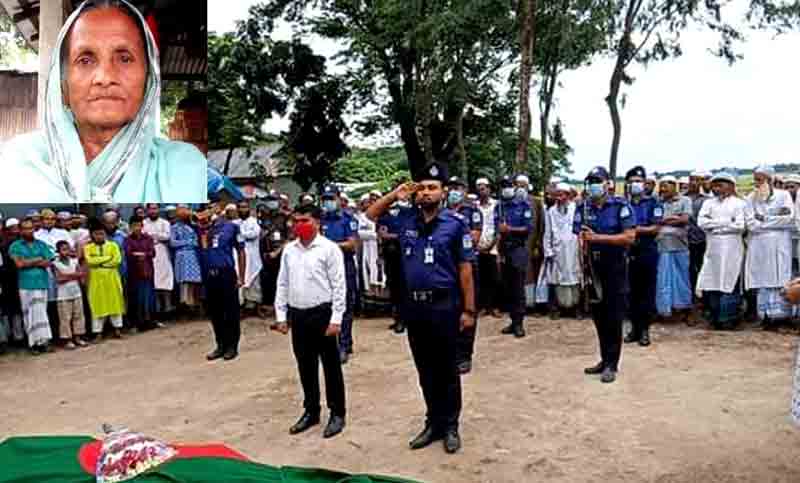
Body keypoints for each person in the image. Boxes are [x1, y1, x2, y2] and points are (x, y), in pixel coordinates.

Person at [0, 0, 206, 202]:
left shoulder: (186, 168)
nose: (105, 77)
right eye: (85, 60)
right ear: (62, 84)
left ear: (148, 80)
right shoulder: (16, 164)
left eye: (124, 58)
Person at [366, 161, 476, 454]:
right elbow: (371, 215)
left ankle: (450, 426)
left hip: (445, 305)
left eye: (432, 188)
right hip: (414, 306)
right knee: (425, 369)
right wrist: (395, 194)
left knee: (447, 369)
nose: (427, 193)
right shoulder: (405, 219)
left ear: (443, 192)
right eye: (422, 188)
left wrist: (469, 310)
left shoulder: (455, 224)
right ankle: (433, 422)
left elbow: (465, 268)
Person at [273, 203, 348, 439]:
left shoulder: (329, 249)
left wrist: (336, 319)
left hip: (323, 314)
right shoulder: (289, 250)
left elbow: (339, 286)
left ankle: (337, 413)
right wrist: (281, 315)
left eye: (304, 220)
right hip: (299, 315)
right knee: (305, 366)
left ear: (317, 222)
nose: (299, 225)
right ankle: (311, 411)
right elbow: (282, 283)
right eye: (296, 221)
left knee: (331, 366)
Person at [574, 166, 636, 383]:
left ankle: (612, 363)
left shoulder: (620, 206)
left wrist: (598, 238)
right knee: (599, 315)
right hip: (593, 266)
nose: (594, 185)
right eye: (591, 181)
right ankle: (604, 358)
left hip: (615, 265)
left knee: (613, 315)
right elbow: (579, 235)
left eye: (597, 181)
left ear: (608, 184)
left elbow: (629, 237)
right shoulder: (583, 207)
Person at [744, 165, 795, 329]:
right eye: (755, 180)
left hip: (780, 244)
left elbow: (788, 219)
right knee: (763, 282)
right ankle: (765, 317)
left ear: (770, 180)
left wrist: (764, 219)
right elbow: (751, 224)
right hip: (759, 246)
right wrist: (775, 218)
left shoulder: (784, 195)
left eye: (760, 180)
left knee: (780, 280)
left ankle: (782, 318)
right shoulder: (750, 198)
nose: (757, 183)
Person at [696, 172, 747, 330]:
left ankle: (728, 319)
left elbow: (740, 226)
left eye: (720, 185)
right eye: (714, 186)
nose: (716, 189)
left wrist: (716, 226)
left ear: (730, 186)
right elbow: (701, 222)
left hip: (732, 249)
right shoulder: (708, 203)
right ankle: (715, 318)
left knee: (730, 281)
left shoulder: (740, 204)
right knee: (712, 281)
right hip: (713, 249)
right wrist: (726, 224)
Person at [200, 206, 246, 361]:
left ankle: (232, 346)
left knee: (231, 311)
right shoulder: (204, 228)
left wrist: (241, 276)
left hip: (226, 273)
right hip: (209, 275)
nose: (208, 212)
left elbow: (241, 251)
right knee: (215, 312)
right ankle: (220, 345)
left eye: (211, 208)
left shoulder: (232, 227)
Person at [319, 185, 359, 363]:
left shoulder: (348, 219)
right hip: (325, 269)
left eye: (331, 198)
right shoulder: (320, 220)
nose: (328, 202)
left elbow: (352, 244)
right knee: (327, 307)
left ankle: (344, 344)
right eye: (325, 199)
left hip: (345, 267)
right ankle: (332, 344)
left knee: (345, 308)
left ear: (338, 199)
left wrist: (330, 246)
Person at [446, 176, 482, 374]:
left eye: (457, 187)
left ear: (464, 190)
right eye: (451, 187)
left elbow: (474, 238)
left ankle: (465, 355)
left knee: (468, 309)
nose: (454, 191)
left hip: (467, 264)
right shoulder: (441, 211)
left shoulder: (472, 211)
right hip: (446, 267)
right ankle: (451, 353)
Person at [624, 166, 662, 347]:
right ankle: (634, 328)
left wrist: (633, 230)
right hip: (627, 252)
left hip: (647, 251)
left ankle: (645, 330)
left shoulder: (653, 203)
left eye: (638, 181)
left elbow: (655, 228)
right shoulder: (623, 204)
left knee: (647, 292)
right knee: (631, 291)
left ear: (645, 183)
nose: (635, 185)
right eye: (632, 182)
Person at [9, 219, 55, 354]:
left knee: (42, 313)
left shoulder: (41, 244)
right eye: (25, 228)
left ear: (34, 229)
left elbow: (48, 262)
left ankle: (44, 342)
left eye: (30, 228)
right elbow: (19, 264)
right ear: (20, 230)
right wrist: (38, 259)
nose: (28, 231)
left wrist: (28, 262)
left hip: (41, 282)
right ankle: (33, 344)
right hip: (26, 284)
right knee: (30, 314)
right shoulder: (15, 246)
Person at [496, 175, 533, 337]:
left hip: (518, 249)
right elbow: (497, 227)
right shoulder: (499, 206)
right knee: (508, 287)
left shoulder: (523, 205)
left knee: (518, 287)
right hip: (504, 249)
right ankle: (512, 320)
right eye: (504, 186)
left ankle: (519, 323)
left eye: (509, 185)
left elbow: (528, 228)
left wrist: (509, 229)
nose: (506, 188)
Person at [654, 176, 693, 321]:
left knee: (682, 277)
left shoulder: (685, 200)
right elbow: (656, 221)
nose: (663, 189)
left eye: (666, 186)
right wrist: (673, 219)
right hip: (662, 245)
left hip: (680, 245)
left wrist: (665, 221)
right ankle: (664, 310)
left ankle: (683, 308)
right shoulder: (658, 202)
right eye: (662, 186)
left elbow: (684, 220)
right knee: (663, 278)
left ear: (674, 186)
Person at [543, 183, 581, 318]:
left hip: (574, 250)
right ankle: (556, 309)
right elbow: (547, 233)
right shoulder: (551, 212)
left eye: (562, 195)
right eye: (557, 195)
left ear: (568, 195)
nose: (559, 198)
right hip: (557, 251)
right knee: (556, 280)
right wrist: (548, 250)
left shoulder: (576, 209)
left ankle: (576, 308)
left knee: (576, 277)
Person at [85, 218, 126, 338]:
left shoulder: (113, 245)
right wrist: (107, 258)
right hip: (96, 280)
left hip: (112, 279)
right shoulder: (88, 247)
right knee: (97, 305)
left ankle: (117, 329)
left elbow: (117, 260)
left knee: (115, 304)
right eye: (96, 234)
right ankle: (98, 332)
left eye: (101, 233)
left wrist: (100, 263)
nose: (99, 236)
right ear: (92, 235)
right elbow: (90, 261)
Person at [513, 175, 546, 312]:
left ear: (528, 187)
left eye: (523, 185)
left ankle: (532, 304)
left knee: (533, 274)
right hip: (515, 246)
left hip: (532, 246)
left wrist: (538, 244)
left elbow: (541, 225)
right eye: (518, 185)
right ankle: (519, 304)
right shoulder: (510, 202)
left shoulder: (536, 202)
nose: (520, 188)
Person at [378, 190, 408, 334]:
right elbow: (382, 234)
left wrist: (394, 236)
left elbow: (410, 234)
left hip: (405, 256)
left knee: (405, 287)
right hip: (390, 256)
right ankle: (398, 318)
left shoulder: (407, 213)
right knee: (393, 287)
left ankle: (405, 319)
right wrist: (399, 236)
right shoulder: (384, 216)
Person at [52, 240, 88, 349]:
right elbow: (59, 279)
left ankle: (78, 337)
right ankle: (67, 339)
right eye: (63, 249)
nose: (66, 252)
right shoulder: (55, 263)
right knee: (65, 318)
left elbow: (81, 274)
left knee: (78, 315)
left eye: (67, 249)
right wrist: (74, 275)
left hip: (76, 292)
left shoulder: (74, 261)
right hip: (63, 295)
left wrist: (68, 276)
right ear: (58, 251)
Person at [258, 193, 290, 315]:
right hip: (265, 254)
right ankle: (269, 305)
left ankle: (283, 307)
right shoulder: (263, 216)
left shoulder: (285, 217)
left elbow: (290, 237)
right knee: (267, 281)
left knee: (282, 280)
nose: (270, 203)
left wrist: (277, 252)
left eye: (272, 200)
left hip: (280, 254)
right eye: (268, 200)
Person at [125, 216, 158, 331]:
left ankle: (150, 320)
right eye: (134, 226)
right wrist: (141, 254)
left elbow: (152, 252)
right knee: (136, 297)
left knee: (149, 296)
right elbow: (128, 253)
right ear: (130, 227)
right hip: (134, 272)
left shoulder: (148, 238)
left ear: (142, 226)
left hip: (147, 271)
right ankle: (138, 322)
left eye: (139, 225)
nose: (137, 228)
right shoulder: (128, 240)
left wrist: (143, 254)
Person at [143, 204, 174, 323]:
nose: (153, 211)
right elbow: (144, 235)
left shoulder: (164, 222)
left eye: (155, 208)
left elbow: (167, 236)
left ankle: (168, 309)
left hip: (162, 252)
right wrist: (156, 236)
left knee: (166, 281)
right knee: (154, 282)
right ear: (147, 210)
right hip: (149, 253)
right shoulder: (144, 223)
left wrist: (152, 235)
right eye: (151, 209)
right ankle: (157, 310)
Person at [475, 178, 500, 318]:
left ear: (489, 189)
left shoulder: (497, 205)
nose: (481, 191)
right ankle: (483, 306)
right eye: (479, 189)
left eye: (483, 188)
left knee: (494, 277)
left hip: (493, 246)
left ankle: (495, 306)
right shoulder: (474, 206)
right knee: (480, 278)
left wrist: (492, 244)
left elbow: (499, 227)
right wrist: (477, 246)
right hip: (477, 246)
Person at [170, 205, 203, 309]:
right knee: (183, 280)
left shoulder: (194, 226)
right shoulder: (174, 227)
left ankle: (192, 301)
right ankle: (183, 302)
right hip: (182, 255)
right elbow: (172, 242)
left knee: (193, 280)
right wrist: (187, 242)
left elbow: (197, 241)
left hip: (193, 254)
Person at [687, 170, 711, 306]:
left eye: (697, 180)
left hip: (704, 240)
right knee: (689, 270)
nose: (694, 183)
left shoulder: (708, 200)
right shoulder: (683, 198)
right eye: (692, 179)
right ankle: (691, 300)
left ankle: (705, 300)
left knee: (704, 269)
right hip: (686, 240)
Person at [355, 194, 384, 299]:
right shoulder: (363, 217)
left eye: (376, 199)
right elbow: (360, 233)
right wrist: (376, 235)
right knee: (369, 268)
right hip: (368, 247)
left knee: (382, 271)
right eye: (371, 200)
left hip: (382, 248)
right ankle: (371, 293)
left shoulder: (384, 215)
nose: (373, 202)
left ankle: (382, 293)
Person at [235, 201, 263, 310]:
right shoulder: (235, 222)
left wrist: (240, 233)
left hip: (253, 257)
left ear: (249, 209)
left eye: (245, 207)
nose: (243, 209)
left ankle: (255, 306)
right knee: (240, 278)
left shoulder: (254, 222)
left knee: (254, 281)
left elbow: (254, 234)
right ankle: (242, 305)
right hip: (239, 257)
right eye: (241, 207)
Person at [2, 219, 24, 347]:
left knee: (17, 309)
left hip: (19, 278)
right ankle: (7, 337)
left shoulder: (22, 242)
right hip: (6, 280)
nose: (15, 230)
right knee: (6, 310)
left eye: (17, 227)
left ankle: (18, 337)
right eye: (12, 228)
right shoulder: (4, 244)